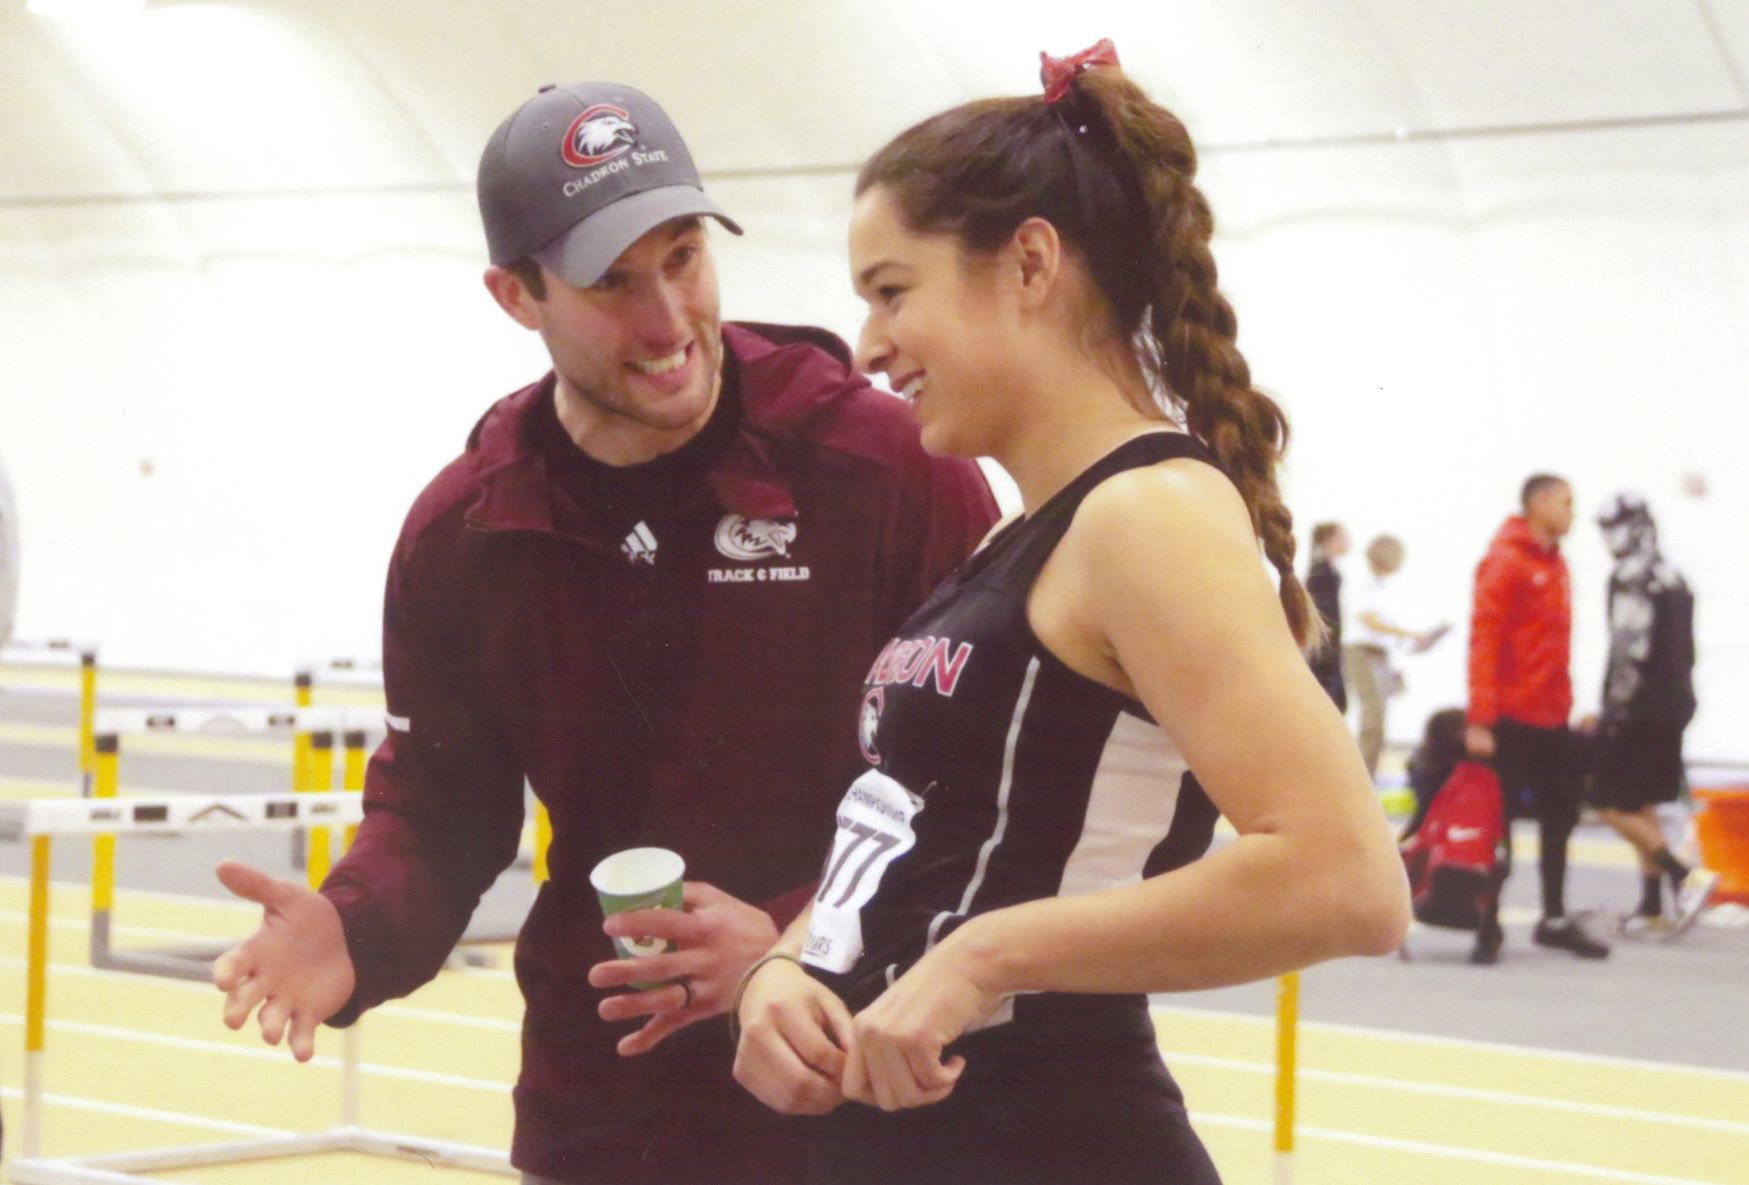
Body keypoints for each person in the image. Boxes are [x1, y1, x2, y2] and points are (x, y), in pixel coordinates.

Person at [209, 81, 997, 1185]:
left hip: (865, 1088)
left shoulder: (888, 470)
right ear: (514, 296)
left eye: (682, 258)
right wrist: (356, 931)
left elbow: (990, 792)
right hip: (605, 1111)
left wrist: (791, 938)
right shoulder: (467, 531)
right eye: (612, 282)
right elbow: (438, 811)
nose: (668, 319)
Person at [730, 42, 1409, 1185]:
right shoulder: (1018, 531)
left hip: (1041, 1134)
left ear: (1030, 263)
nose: (870, 346)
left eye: (893, 292)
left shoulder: (1147, 516)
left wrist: (985, 958)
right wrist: (783, 970)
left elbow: (1346, 879)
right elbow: (915, 827)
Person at [1466, 474, 1607, 963]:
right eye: (1567, 502)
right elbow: (1484, 639)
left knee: (1561, 817)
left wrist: (1573, 707)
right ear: (1539, 502)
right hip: (1510, 719)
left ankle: (1553, 919)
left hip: (1553, 718)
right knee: (1500, 826)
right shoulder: (1505, 560)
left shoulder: (1557, 563)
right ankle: (1487, 923)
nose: (1573, 511)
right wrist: (1480, 719)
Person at [1585, 493, 1715, 935]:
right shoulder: (1675, 576)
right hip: (1676, 703)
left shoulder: (1630, 576)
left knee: (1605, 801)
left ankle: (1685, 875)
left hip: (1638, 707)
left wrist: (1611, 709)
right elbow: (1690, 650)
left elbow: (1629, 647)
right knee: (1642, 803)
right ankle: (1651, 907)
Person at [1342, 534, 1448, 777]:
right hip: (1361, 653)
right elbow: (1370, 622)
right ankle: (1361, 777)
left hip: (1380, 655)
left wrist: (1416, 641)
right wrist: (1410, 633)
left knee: (1378, 721)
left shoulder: (1382, 587)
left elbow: (1384, 631)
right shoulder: (1362, 583)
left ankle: (1369, 775)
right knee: (1373, 720)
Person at [1305, 521, 1348, 710]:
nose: (1348, 541)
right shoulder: (1322, 571)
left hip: (1331, 644)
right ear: (1331, 539)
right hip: (1325, 646)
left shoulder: (1326, 569)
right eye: (1343, 536)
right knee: (1329, 700)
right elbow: (1321, 611)